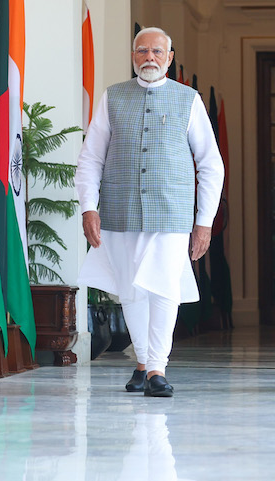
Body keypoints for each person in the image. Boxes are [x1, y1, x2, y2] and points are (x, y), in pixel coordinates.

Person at [75, 27, 224, 397]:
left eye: (157, 52)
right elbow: (91, 158)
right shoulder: (113, 98)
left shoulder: (188, 100)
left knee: (164, 290)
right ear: (133, 56)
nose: (149, 58)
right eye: (142, 51)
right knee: (130, 291)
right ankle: (143, 361)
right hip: (120, 211)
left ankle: (156, 367)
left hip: (171, 215)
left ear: (169, 58)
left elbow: (210, 164)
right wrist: (88, 209)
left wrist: (203, 222)